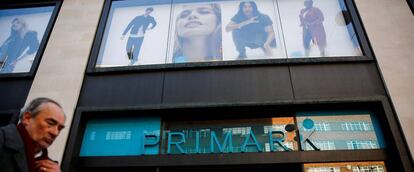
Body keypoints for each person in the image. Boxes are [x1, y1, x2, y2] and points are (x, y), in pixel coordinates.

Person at [0, 97, 66, 172]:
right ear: (27, 118)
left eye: (60, 128)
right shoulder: (2, 139)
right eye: (50, 123)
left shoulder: (49, 164)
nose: (55, 133)